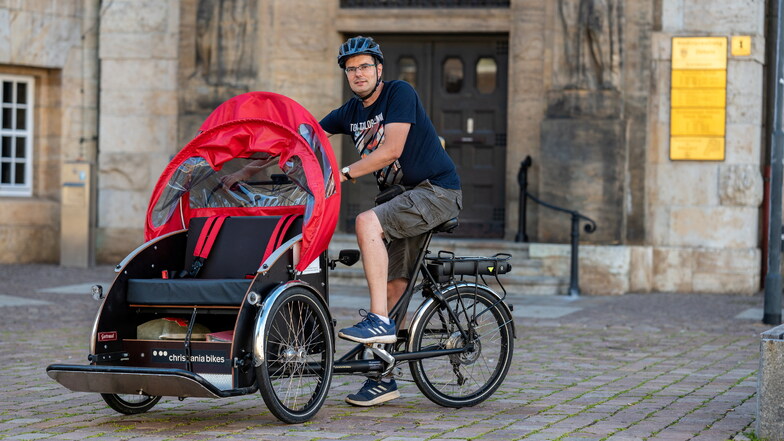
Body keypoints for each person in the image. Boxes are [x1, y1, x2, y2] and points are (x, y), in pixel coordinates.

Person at [320, 36, 462, 407]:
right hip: (405, 200)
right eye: (351, 69)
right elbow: (307, 138)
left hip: (437, 192)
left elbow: (392, 150)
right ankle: (383, 378)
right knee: (396, 286)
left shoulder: (399, 92)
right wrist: (255, 163)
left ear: (379, 69)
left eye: (365, 66)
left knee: (367, 222)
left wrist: (342, 174)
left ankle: (378, 321)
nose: (359, 73)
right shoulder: (350, 113)